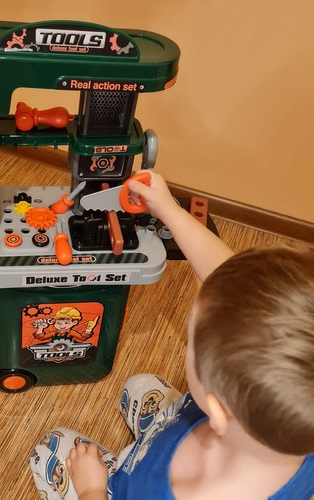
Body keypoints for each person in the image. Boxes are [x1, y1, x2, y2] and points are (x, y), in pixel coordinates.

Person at [30, 172, 314, 499]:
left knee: (50, 448)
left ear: (218, 409)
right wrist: (169, 210)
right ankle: (154, 436)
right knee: (139, 385)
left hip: (125, 489)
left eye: (191, 341)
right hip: (189, 426)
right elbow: (231, 283)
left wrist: (91, 487)